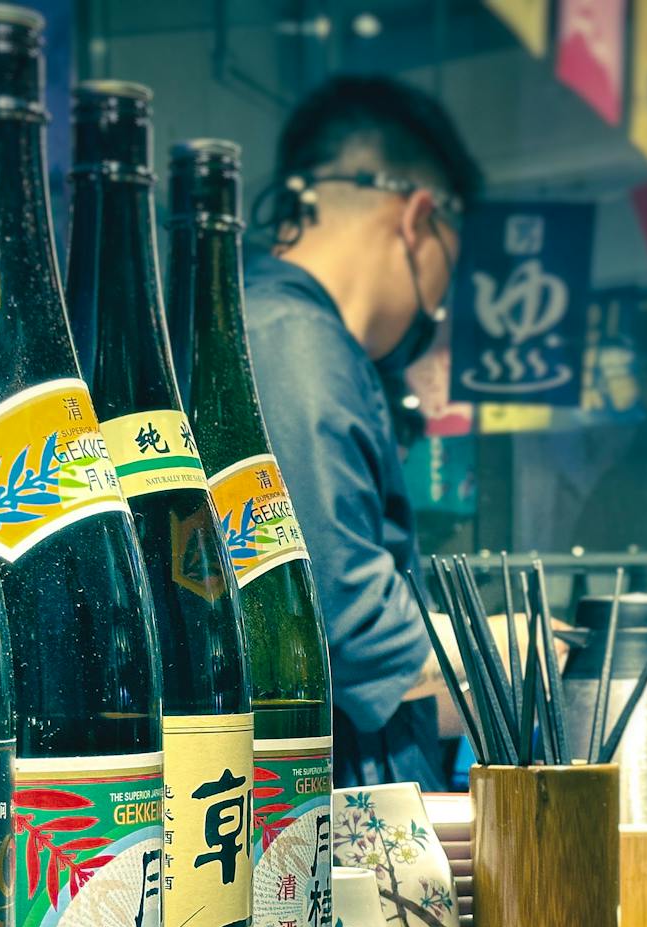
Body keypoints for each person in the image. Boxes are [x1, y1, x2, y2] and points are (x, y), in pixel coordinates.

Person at [244, 75, 485, 787]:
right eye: (452, 260)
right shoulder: (292, 340)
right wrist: (494, 652)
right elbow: (339, 619)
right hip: (319, 808)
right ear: (418, 219)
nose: (439, 300)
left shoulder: (285, 331)